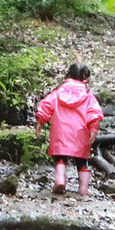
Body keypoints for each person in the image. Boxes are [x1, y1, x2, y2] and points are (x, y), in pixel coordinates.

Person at [35, 61, 104, 196]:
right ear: (86, 78)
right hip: (81, 132)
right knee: (82, 160)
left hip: (60, 131)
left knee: (60, 157)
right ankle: (83, 189)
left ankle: (60, 180)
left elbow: (46, 105)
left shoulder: (59, 91)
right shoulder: (88, 95)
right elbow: (94, 113)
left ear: (68, 75)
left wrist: (40, 121)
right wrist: (93, 129)